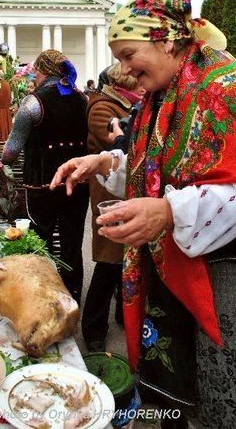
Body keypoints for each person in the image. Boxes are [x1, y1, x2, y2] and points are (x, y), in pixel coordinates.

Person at [50, 0, 236, 429]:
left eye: (129, 55)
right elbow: (158, 163)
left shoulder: (226, 87)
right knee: (195, 389)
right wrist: (104, 162)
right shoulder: (162, 95)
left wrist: (168, 212)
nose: (124, 70)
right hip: (195, 257)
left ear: (166, 39)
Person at [1, 49, 89, 305]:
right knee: (73, 244)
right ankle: (73, 299)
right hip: (77, 184)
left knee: (43, 241)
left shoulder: (33, 103)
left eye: (37, 71)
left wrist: (2, 162)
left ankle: (47, 298)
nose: (35, 76)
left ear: (45, 71)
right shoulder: (82, 99)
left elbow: (11, 150)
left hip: (42, 184)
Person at [82, 62, 143, 353]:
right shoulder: (102, 107)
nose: (144, 86)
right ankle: (93, 328)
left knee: (125, 255)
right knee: (108, 261)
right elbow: (120, 147)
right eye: (138, 82)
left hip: (126, 187)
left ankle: (121, 314)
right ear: (125, 85)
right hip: (108, 189)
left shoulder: (129, 104)